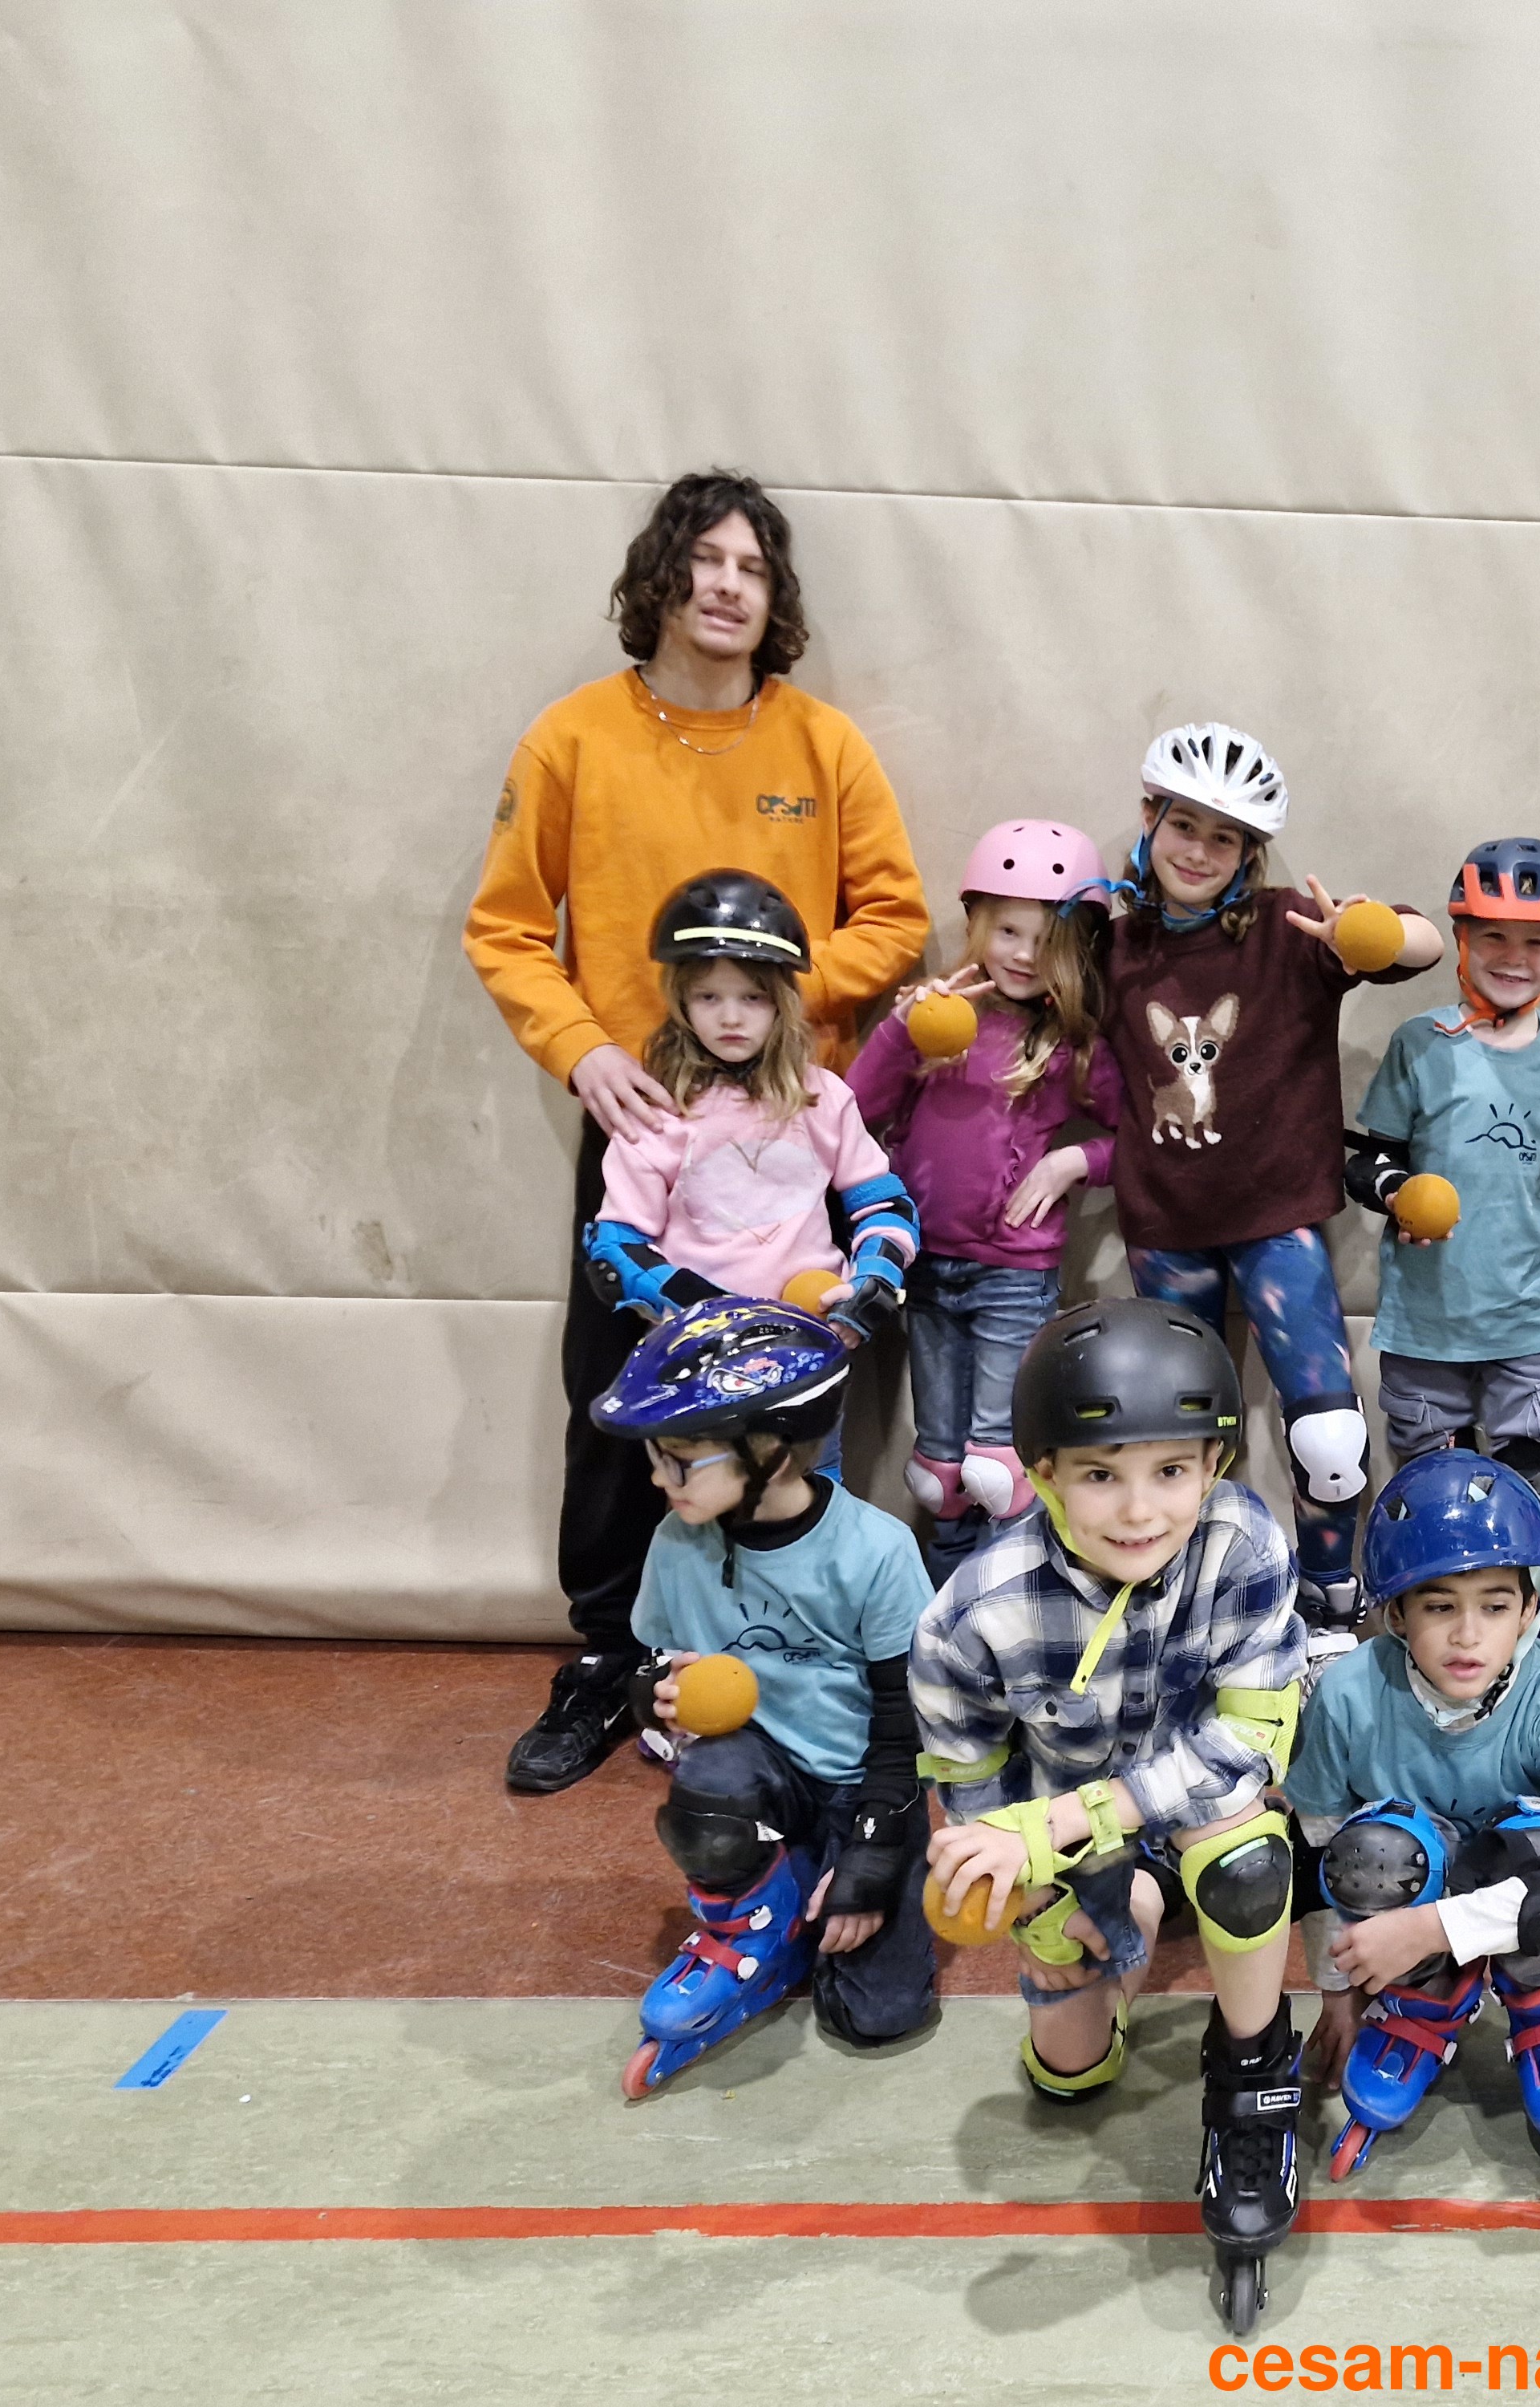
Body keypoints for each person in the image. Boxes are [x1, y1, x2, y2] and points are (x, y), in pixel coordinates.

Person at [465, 469, 929, 1793]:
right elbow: (507, 930)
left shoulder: (823, 747)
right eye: (707, 560)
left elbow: (894, 919)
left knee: (790, 1412)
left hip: (789, 1140)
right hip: (645, 1130)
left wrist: (769, 1007)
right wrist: (587, 1050)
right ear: (661, 578)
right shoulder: (573, 740)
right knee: (621, 1402)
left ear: (776, 598)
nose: (729, 586)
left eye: (754, 568)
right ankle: (612, 1652)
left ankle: (795, 1657)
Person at [909, 1297, 1309, 2336]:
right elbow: (971, 1796)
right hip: (1069, 1839)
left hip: (1194, 1809)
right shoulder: (971, 1614)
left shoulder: (1246, 1543)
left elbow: (1252, 1741)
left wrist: (1075, 1822)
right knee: (1069, 2074)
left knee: (1247, 1861)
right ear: (1042, 1471)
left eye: (1171, 1470)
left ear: (1213, 1466)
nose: (1139, 1510)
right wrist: (1037, 1905)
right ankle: (1127, 1921)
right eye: (1099, 1475)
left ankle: (1253, 2073)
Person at [1092, 724, 1441, 1662]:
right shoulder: (1113, 945)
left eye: (1225, 837)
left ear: (1249, 853)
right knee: (1172, 1439)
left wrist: (1367, 932)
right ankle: (1184, 1599)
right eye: (1184, 826)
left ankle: (1329, 1602)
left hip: (1277, 1221)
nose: (1199, 851)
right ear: (1149, 818)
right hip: (1167, 1226)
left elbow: (1421, 945)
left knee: (1328, 1438)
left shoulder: (1292, 929)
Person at [587, 1298, 938, 2096]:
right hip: (759, 1774)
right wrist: (652, 1695)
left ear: (771, 1453)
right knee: (709, 1781)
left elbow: (907, 1723)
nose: (658, 1479)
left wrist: (873, 1853)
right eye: (657, 1458)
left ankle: (809, 1876)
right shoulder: (677, 1542)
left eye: (680, 1460)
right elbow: (652, 1660)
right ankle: (750, 1924)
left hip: (863, 1783)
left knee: (877, 2017)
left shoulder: (876, 1552)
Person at [1287, 1451, 1540, 2201]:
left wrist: (1428, 1930)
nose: (1468, 1635)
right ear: (1397, 1614)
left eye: (1495, 1606)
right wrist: (1340, 1989)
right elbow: (1314, 1851)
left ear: (1532, 1609)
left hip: (1498, 1890)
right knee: (1370, 1853)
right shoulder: (1346, 1693)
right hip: (1415, 1878)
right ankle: (1424, 1993)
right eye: (1440, 1607)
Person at [1342, 838, 1540, 1707]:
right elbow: (1367, 1156)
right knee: (1432, 1494)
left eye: (1537, 942)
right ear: (1461, 939)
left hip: (1523, 1320)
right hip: (1424, 1321)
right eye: (1494, 937)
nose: (1514, 957)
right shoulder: (1419, 1044)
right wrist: (1396, 1191)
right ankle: (1434, 1633)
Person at [847, 819, 1123, 1576]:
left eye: (1047, 941)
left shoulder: (1071, 1044)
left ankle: (1006, 1595)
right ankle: (948, 1598)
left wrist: (1074, 1161)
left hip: (1014, 1276)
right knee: (939, 1467)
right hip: (926, 1267)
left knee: (998, 1466)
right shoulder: (938, 1020)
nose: (1026, 955)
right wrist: (900, 1032)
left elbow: (1141, 1139)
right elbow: (853, 1109)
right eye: (1008, 931)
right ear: (976, 925)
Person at [585, 873, 922, 1390]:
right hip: (697, 1356)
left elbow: (886, 1205)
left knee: (811, 1449)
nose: (731, 1018)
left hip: (808, 1344)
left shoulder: (823, 1098)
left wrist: (870, 1284)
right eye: (708, 997)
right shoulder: (658, 1110)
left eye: (752, 998)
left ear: (781, 1002)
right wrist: (707, 1311)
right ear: (681, 1001)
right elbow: (618, 1246)